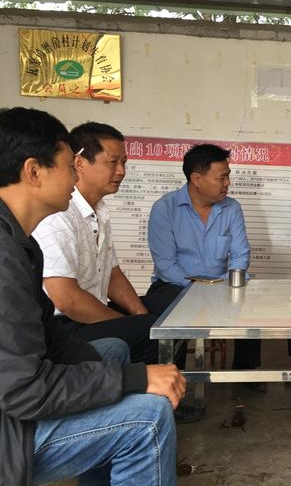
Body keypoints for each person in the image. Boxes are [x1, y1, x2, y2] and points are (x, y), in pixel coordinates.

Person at [0, 106, 185, 485]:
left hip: (16, 400)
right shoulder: (6, 257)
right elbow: (23, 390)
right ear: (33, 172)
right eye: (69, 166)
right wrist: (135, 381)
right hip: (10, 431)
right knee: (149, 418)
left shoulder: (20, 244)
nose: (75, 175)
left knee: (113, 350)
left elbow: (49, 336)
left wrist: (125, 377)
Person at [33, 122, 182, 366]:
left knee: (173, 302)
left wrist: (139, 314)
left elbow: (112, 275)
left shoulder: (99, 211)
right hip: (63, 324)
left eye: (124, 162)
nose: (121, 171)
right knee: (148, 331)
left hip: (93, 308)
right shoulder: (58, 214)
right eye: (113, 162)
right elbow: (66, 299)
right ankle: (144, 387)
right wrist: (130, 323)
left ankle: (171, 377)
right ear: (79, 163)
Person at [148, 144, 261, 389]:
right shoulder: (165, 208)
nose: (227, 183)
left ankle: (244, 372)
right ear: (196, 179)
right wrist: (198, 289)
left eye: (228, 176)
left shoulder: (231, 208)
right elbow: (166, 264)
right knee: (168, 314)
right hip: (175, 285)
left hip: (220, 285)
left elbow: (240, 254)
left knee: (249, 302)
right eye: (222, 177)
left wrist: (228, 283)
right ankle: (171, 376)